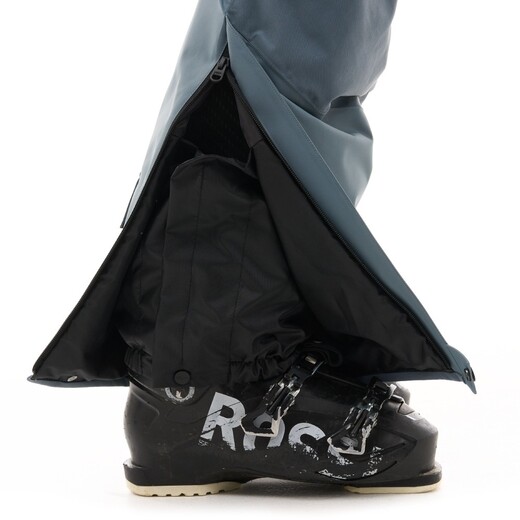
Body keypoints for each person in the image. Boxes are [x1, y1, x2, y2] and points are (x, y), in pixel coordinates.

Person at [29, 0, 475, 496]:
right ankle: (208, 382)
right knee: (277, 49)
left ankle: (216, 375)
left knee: (323, 56)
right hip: (214, 369)